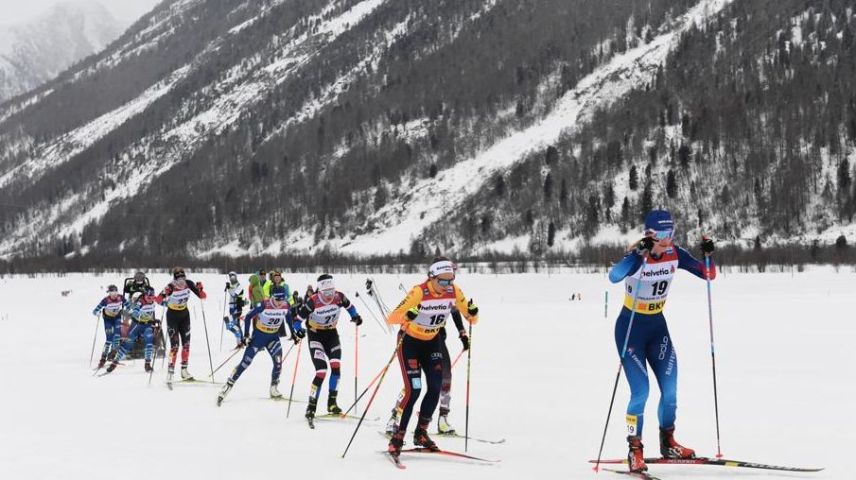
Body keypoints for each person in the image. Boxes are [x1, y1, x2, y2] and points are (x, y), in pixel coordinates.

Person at [607, 209, 716, 473]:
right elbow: (614, 276)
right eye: (663, 235)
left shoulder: (675, 254)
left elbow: (708, 274)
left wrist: (709, 255)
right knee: (641, 391)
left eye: (672, 234)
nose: (668, 240)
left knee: (670, 391)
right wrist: (636, 253)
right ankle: (635, 448)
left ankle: (668, 442)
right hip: (630, 329)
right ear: (650, 235)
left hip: (657, 328)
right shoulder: (637, 258)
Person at [384, 257, 479, 459]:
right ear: (432, 277)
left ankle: (421, 432)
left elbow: (472, 318)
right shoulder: (419, 292)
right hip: (409, 343)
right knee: (414, 390)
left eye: (450, 280)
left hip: (432, 343)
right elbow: (391, 317)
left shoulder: (454, 291)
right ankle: (397, 437)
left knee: (436, 387)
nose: (447, 285)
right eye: (442, 281)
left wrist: (472, 314)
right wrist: (407, 316)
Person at [385, 307, 469, 435]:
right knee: (414, 382)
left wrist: (462, 333)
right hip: (417, 338)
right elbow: (403, 313)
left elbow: (455, 310)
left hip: (437, 338)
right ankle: (395, 417)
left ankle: (443, 418)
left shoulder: (450, 293)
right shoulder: (424, 292)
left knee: (445, 377)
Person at [292, 274, 362, 423]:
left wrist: (356, 316)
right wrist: (298, 330)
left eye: (331, 291)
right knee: (321, 371)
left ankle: (332, 403)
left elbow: (350, 307)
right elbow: (296, 321)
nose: (330, 295)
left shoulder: (339, 297)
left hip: (331, 334)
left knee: (336, 367)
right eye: (326, 293)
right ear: (320, 291)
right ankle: (311, 406)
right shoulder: (313, 301)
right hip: (315, 335)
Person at [217, 285, 291, 405]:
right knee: (246, 363)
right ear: (272, 297)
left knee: (278, 362)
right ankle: (227, 386)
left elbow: (288, 319)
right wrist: (246, 335)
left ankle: (274, 387)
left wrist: (294, 333)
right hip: (259, 337)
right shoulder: (264, 304)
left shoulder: (286, 305)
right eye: (277, 300)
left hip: (273, 337)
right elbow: (248, 317)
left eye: (282, 299)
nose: (280, 303)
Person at [156, 267, 207, 383]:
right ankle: (170, 372)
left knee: (186, 344)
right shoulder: (170, 287)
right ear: (174, 279)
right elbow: (158, 300)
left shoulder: (189, 284)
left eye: (183, 278)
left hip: (184, 315)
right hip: (172, 316)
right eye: (178, 279)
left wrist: (200, 289)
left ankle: (184, 371)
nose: (181, 281)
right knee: (175, 346)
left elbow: (203, 297)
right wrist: (165, 298)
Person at [105, 287, 159, 373]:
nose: (150, 298)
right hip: (136, 326)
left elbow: (162, 301)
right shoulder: (139, 302)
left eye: (152, 297)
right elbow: (134, 313)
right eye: (148, 297)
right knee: (127, 345)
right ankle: (114, 363)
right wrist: (138, 314)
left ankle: (147, 364)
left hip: (147, 326)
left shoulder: (153, 300)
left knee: (149, 341)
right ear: (144, 295)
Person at [91, 284, 129, 369]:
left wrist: (131, 309)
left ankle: (114, 355)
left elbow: (128, 305)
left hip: (117, 318)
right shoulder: (105, 300)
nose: (114, 294)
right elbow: (94, 311)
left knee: (117, 336)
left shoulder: (120, 297)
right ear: (109, 293)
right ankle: (103, 359)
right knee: (109, 339)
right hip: (108, 320)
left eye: (116, 292)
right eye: (112, 292)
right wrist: (97, 313)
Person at [224, 271, 246, 348]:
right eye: (230, 277)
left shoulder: (239, 286)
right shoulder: (232, 285)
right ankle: (240, 341)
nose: (231, 278)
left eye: (233, 277)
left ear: (236, 277)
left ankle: (240, 342)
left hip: (237, 307)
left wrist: (229, 288)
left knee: (233, 324)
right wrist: (229, 287)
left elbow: (234, 295)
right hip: (231, 307)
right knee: (232, 324)